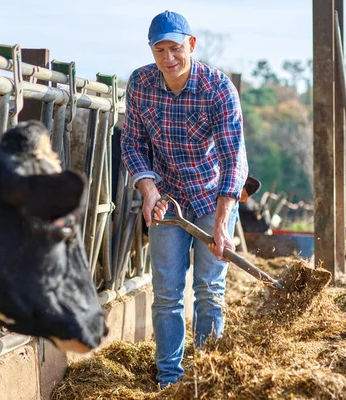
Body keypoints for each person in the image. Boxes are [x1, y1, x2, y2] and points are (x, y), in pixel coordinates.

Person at [120, 10, 248, 388]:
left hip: (213, 199)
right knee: (166, 292)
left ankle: (207, 376)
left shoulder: (217, 88)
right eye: (160, 50)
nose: (168, 58)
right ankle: (170, 379)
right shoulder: (141, 84)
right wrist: (149, 189)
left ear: (191, 45)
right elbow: (132, 143)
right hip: (169, 204)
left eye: (175, 48)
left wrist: (223, 224)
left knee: (209, 290)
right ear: (151, 50)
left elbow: (232, 159)